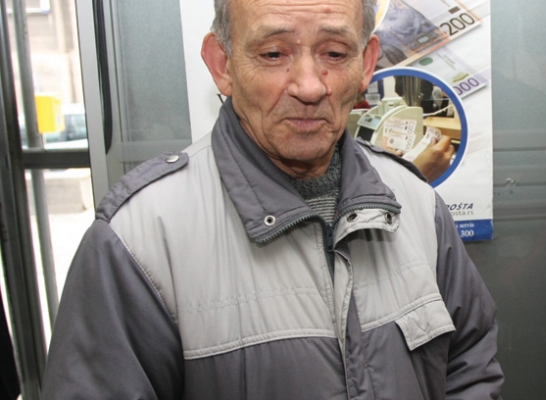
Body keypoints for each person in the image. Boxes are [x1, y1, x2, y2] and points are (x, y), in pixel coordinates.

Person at [41, 0, 503, 398]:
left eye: (334, 53)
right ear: (222, 65)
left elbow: (471, 362)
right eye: (274, 53)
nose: (310, 86)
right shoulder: (138, 241)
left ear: (366, 65)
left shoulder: (416, 203)